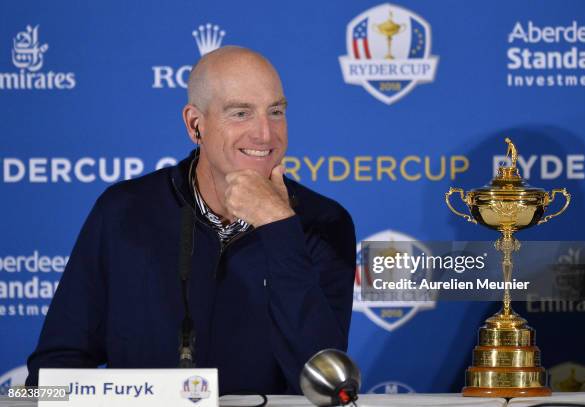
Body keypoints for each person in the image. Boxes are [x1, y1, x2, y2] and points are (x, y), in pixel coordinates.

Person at [25, 46, 356, 395]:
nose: (265, 134)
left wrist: (279, 226)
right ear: (195, 124)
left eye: (276, 111)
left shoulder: (324, 223)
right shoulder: (124, 211)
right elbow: (55, 369)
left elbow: (325, 380)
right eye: (241, 113)